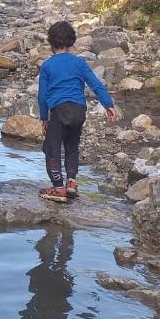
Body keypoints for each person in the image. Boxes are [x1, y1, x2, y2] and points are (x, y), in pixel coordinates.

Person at [37, 20, 117, 202]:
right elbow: (95, 84)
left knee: (52, 148)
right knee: (72, 146)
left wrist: (44, 118)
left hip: (59, 110)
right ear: (72, 41)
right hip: (79, 110)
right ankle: (71, 182)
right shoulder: (79, 63)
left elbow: (42, 96)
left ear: (51, 42)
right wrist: (108, 104)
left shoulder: (48, 66)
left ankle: (58, 188)